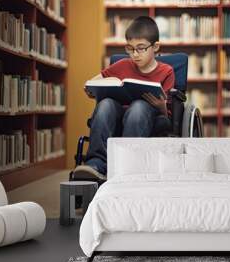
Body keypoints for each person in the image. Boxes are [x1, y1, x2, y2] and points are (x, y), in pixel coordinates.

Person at [73, 16, 175, 181]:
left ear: (155, 47)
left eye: (141, 48)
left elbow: (168, 113)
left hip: (147, 116)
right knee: (105, 105)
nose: (135, 54)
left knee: (138, 107)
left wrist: (160, 105)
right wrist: (92, 88)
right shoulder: (123, 65)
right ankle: (97, 163)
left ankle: (127, 166)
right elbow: (95, 80)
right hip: (117, 113)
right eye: (130, 48)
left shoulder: (167, 71)